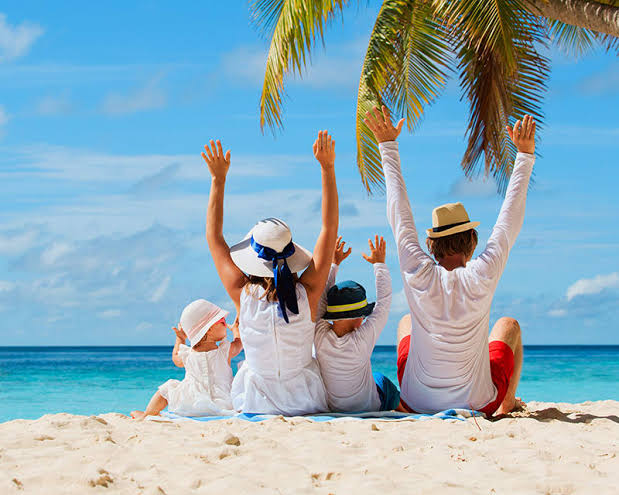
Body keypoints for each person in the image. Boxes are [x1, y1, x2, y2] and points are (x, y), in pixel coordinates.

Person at [364, 105, 535, 416]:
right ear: (472, 242)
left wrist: (388, 145)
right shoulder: (482, 273)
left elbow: (399, 215)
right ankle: (507, 403)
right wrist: (523, 156)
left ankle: (418, 399)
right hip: (478, 402)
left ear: (431, 246)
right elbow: (508, 221)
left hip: (416, 402)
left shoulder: (418, 272)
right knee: (509, 325)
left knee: (406, 322)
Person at [201, 131, 339, 415]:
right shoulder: (308, 293)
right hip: (305, 399)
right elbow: (329, 228)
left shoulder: (242, 294)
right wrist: (327, 168)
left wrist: (218, 180)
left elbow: (214, 238)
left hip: (254, 400)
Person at [314, 236, 399, 412]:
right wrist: (379, 264)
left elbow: (321, 298)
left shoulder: (319, 335)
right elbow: (384, 304)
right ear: (359, 317)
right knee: (382, 380)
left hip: (334, 408)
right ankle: (404, 410)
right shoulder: (362, 340)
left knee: (377, 378)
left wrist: (334, 264)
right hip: (370, 407)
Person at [131, 299, 243, 420]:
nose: (226, 325)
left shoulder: (188, 354)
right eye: (222, 322)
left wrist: (180, 339)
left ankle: (147, 415)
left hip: (191, 403)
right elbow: (239, 344)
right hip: (223, 403)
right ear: (209, 329)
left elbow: (176, 359)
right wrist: (236, 331)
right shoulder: (224, 350)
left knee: (167, 389)